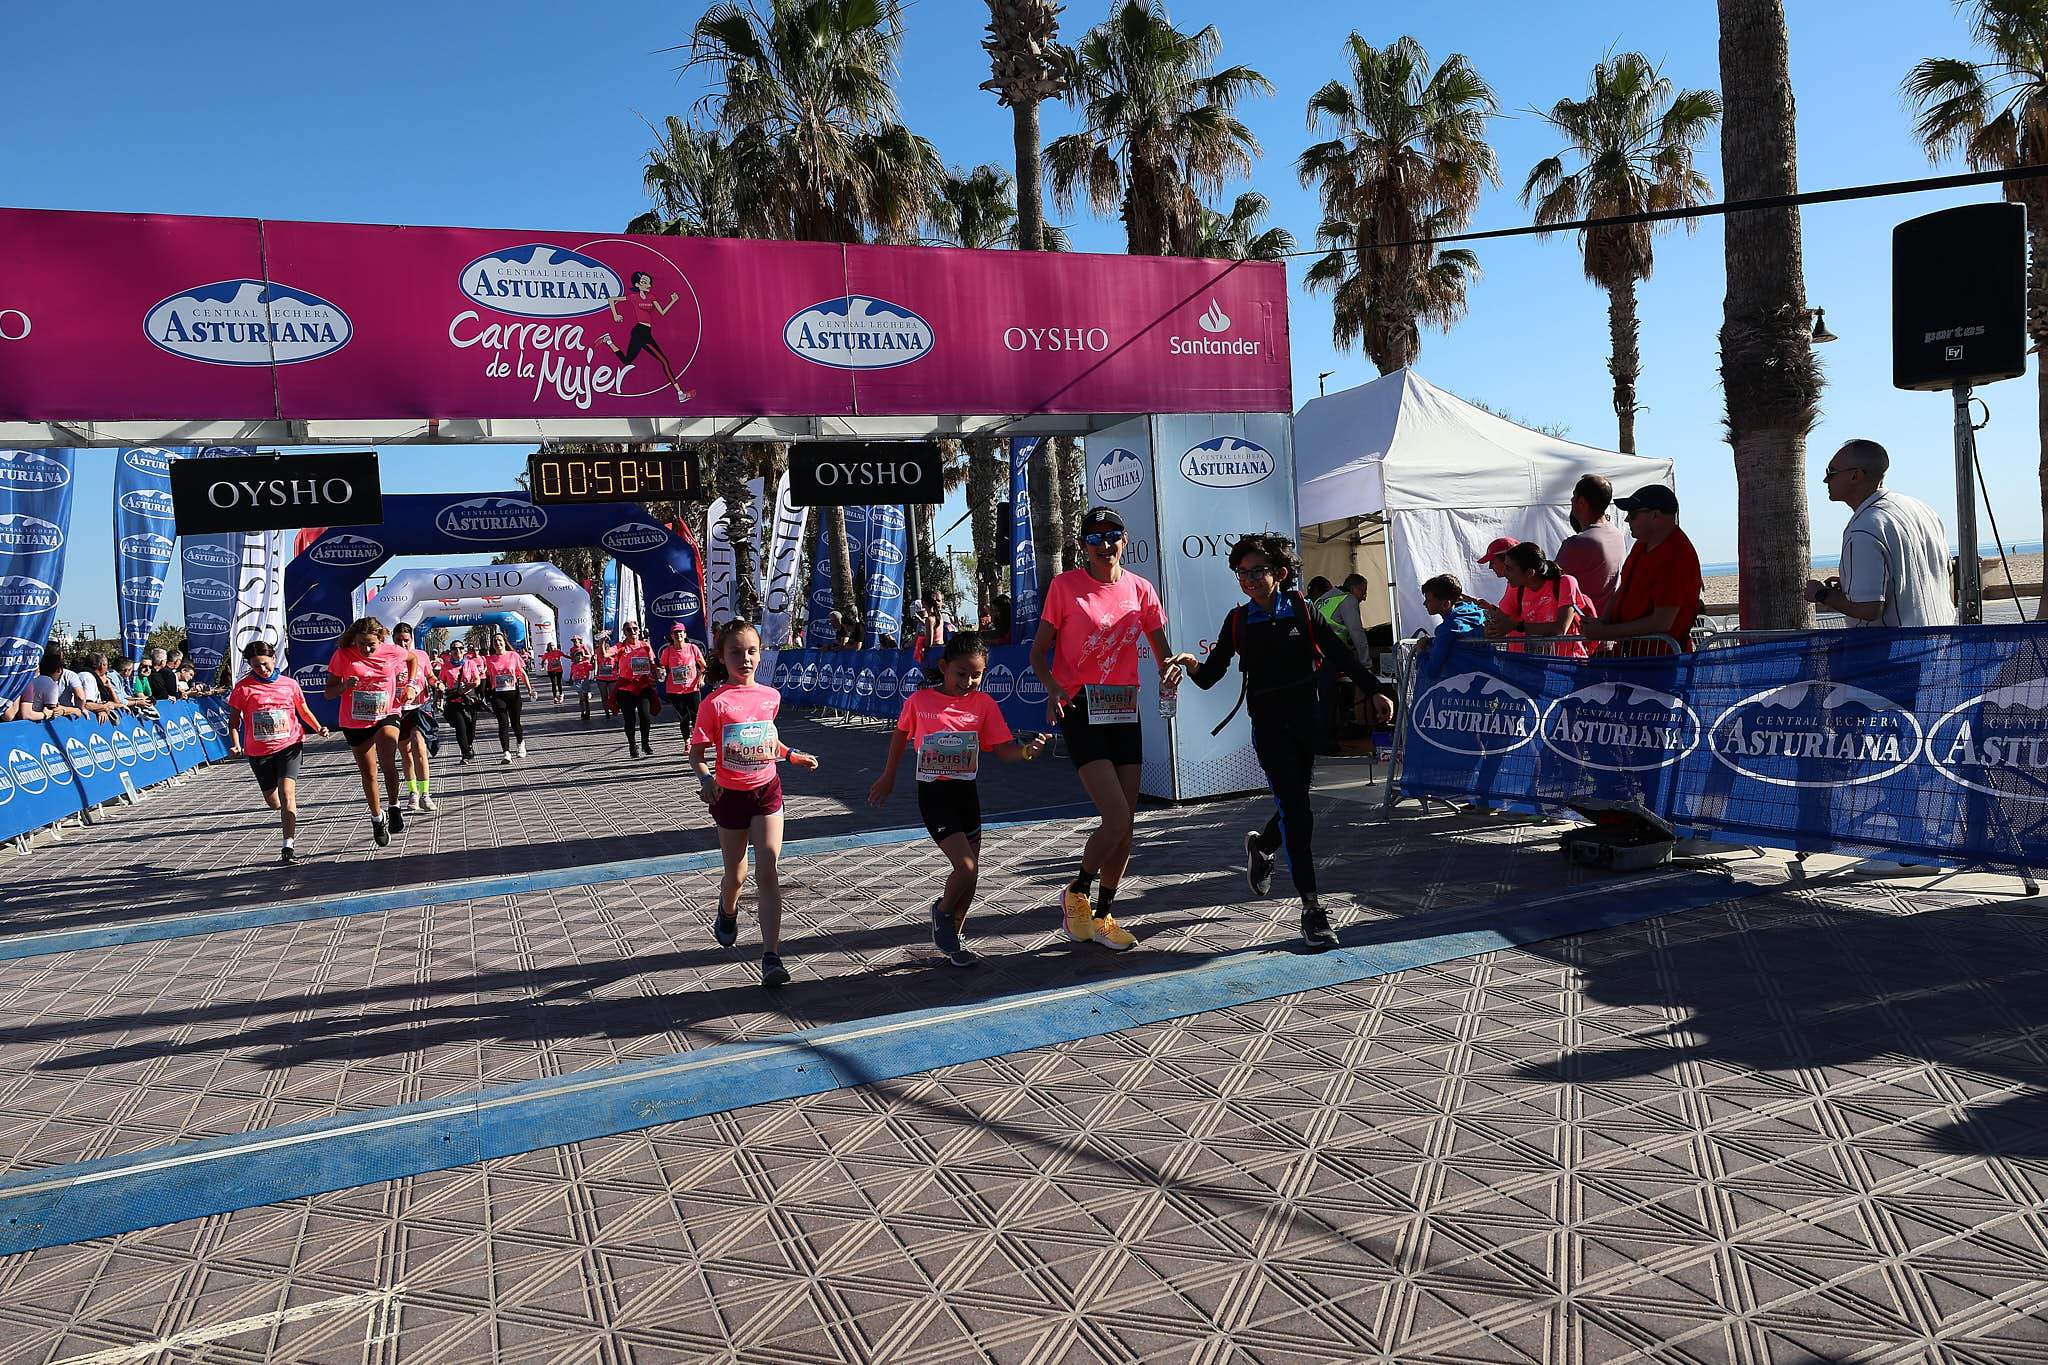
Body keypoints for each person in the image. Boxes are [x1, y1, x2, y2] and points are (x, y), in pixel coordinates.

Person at [1166, 535, 1393, 950]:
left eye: (1257, 571)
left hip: (1307, 723)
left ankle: (1262, 845)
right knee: (1297, 811)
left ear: (1280, 574)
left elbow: (1341, 656)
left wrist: (1375, 690)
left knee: (1297, 804)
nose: (1249, 579)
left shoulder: (1303, 611)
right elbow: (1212, 674)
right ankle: (1312, 911)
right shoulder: (1238, 621)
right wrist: (1191, 663)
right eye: (1242, 573)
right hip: (1268, 728)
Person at [1029, 505, 1184, 952]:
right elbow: (1039, 653)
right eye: (1094, 539)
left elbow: (1161, 650)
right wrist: (1054, 688)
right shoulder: (1065, 587)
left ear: (1124, 539)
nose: (1104, 545)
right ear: (1083, 547)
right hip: (1080, 706)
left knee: (1126, 824)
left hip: (1124, 709)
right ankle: (1077, 889)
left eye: (1111, 535)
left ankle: (1103, 915)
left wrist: (1173, 670)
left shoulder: (1141, 589)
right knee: (1115, 815)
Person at [867, 632, 1048, 966]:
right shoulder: (920, 702)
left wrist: (1026, 750)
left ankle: (954, 941)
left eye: (976, 675)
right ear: (944, 667)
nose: (968, 681)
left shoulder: (984, 705)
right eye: (961, 673)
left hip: (967, 794)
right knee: (964, 868)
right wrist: (888, 776)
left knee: (972, 874)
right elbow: (900, 736)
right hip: (934, 795)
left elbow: (1001, 748)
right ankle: (942, 912)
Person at [690, 620, 820, 989]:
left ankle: (771, 956)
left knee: (768, 870)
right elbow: (697, 754)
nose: (745, 658)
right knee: (736, 876)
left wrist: (792, 755)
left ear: (760, 653)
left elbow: (767, 742)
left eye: (751, 651)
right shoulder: (714, 703)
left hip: (767, 792)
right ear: (721, 656)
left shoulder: (770, 696)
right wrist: (706, 780)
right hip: (729, 797)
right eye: (736, 652)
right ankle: (727, 909)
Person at [1806, 438, 1956, 628]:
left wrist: (1821, 594)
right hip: (1940, 643)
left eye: (1831, 472)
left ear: (1855, 476)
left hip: (1895, 652)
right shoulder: (1922, 509)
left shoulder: (1864, 527)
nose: (1825, 479)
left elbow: (1869, 610)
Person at [226, 639, 327, 863]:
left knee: (287, 793)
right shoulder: (243, 689)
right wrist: (235, 743)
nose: (262, 669)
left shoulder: (289, 684)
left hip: (289, 745)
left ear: (274, 658)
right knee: (274, 802)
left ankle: (288, 846)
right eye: (256, 666)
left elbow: (303, 710)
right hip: (259, 751)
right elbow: (233, 722)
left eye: (265, 663)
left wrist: (318, 727)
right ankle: (285, 812)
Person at [1581, 485, 1702, 654]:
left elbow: (1661, 622)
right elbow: (1622, 591)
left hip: (1661, 661)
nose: (1627, 519)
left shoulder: (1676, 554)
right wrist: (1602, 623)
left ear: (1656, 515)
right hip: (1632, 655)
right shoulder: (1641, 545)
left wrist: (1605, 632)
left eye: (1634, 514)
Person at [324, 618, 407, 846]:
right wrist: (345, 686)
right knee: (369, 773)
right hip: (355, 720)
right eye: (361, 644)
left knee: (388, 761)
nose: (366, 649)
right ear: (354, 640)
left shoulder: (393, 652)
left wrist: (408, 685)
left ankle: (394, 805)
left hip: (386, 713)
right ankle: (377, 818)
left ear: (381, 639)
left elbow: (411, 658)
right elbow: (328, 693)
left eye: (371, 644)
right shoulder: (343, 655)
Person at [599, 270, 695, 403]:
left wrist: (672, 301)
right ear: (637, 285)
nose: (648, 284)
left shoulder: (652, 297)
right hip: (640, 332)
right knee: (664, 361)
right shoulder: (633, 297)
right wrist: (615, 315)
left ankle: (608, 341)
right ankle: (680, 393)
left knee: (627, 361)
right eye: (644, 282)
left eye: (649, 282)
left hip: (645, 332)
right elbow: (611, 299)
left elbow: (662, 312)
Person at [1497, 543, 1598, 657]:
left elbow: (1560, 629)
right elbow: (1501, 619)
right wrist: (1493, 628)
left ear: (1530, 573)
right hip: (1535, 665)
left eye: (1509, 569)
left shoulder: (1565, 582)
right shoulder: (1516, 587)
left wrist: (1518, 626)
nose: (1504, 573)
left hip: (1568, 664)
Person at [1556, 474, 1627, 617]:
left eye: (1574, 496)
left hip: (1581, 629)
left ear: (1582, 502)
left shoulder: (1577, 544)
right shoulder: (1617, 535)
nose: (1571, 500)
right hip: (1604, 627)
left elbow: (1547, 585)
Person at [389, 623, 438, 812]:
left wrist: (437, 683)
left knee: (419, 748)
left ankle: (425, 794)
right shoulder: (389, 658)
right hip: (399, 710)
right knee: (406, 752)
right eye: (399, 640)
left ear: (412, 640)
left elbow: (430, 676)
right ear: (393, 640)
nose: (403, 644)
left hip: (419, 707)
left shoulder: (421, 655)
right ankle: (413, 792)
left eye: (406, 640)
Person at [482, 629, 535, 762]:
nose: (497, 643)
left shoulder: (513, 655)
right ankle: (506, 752)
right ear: (492, 645)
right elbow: (484, 675)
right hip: (498, 694)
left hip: (513, 693)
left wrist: (530, 689)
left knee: (515, 722)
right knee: (503, 724)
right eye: (495, 641)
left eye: (500, 640)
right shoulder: (489, 659)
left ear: (504, 643)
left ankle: (520, 744)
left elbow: (522, 673)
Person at [612, 621, 658, 758]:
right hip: (626, 688)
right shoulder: (620, 647)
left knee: (645, 716)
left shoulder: (645, 645)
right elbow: (606, 653)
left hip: (643, 686)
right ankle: (632, 745)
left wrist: (657, 672)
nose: (632, 631)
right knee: (629, 720)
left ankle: (645, 743)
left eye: (635, 628)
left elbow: (653, 663)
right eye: (628, 629)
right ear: (624, 632)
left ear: (639, 630)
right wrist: (602, 641)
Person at [437, 639, 486, 763]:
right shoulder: (446, 667)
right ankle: (465, 753)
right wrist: (440, 692)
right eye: (454, 649)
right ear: (450, 652)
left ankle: (468, 746)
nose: (457, 651)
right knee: (460, 728)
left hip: (469, 700)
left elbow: (477, 680)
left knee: (471, 729)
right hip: (454, 702)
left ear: (464, 651)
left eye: (460, 648)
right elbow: (441, 682)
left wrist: (468, 686)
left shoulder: (470, 663)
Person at [659, 623, 706, 742]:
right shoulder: (667, 651)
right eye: (675, 633)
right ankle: (687, 742)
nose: (678, 634)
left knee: (696, 716)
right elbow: (662, 666)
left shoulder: (692, 648)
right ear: (672, 636)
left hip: (692, 688)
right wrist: (661, 672)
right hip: (674, 690)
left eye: (680, 632)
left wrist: (701, 679)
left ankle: (695, 735)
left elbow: (703, 667)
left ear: (684, 634)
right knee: (683, 717)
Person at [1419, 574, 1486, 653]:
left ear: (1446, 604)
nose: (1424, 603)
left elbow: (1432, 665)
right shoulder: (1476, 611)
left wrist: (1420, 651)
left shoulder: (1446, 630)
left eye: (1428, 600)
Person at [569, 642, 596, 723]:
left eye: (580, 655)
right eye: (577, 655)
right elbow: (572, 672)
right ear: (574, 657)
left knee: (586, 698)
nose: (579, 657)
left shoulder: (585, 663)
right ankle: (582, 712)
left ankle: (587, 712)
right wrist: (570, 678)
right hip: (577, 681)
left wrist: (593, 661)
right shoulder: (573, 665)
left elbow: (592, 668)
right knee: (581, 698)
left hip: (585, 681)